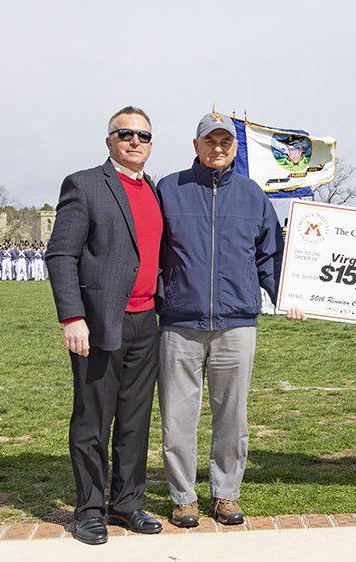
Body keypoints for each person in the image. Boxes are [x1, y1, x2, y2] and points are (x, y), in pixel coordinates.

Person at [156, 111, 303, 529]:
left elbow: (269, 255)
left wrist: (286, 296)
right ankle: (183, 497)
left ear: (234, 148)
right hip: (179, 322)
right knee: (177, 417)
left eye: (225, 142)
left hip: (236, 322)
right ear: (196, 145)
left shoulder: (253, 195)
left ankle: (225, 493)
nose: (217, 148)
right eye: (210, 141)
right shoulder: (170, 189)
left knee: (232, 416)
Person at [44, 106, 164, 545]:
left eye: (144, 136)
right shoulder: (86, 185)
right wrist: (72, 317)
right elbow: (61, 254)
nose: (135, 142)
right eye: (126, 134)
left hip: (146, 322)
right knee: (93, 421)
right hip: (98, 325)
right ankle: (90, 509)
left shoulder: (153, 189)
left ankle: (127, 502)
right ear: (109, 140)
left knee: (134, 420)